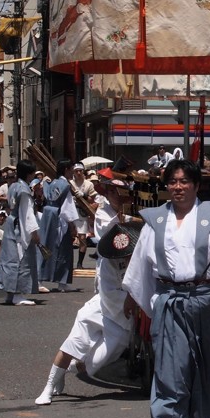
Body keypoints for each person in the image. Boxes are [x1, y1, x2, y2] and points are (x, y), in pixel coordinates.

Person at [122, 158, 210, 418]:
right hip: (169, 297)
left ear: (196, 185)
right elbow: (141, 263)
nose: (178, 187)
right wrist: (133, 296)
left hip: (203, 297)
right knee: (170, 366)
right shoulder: (156, 220)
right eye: (172, 182)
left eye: (184, 181)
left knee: (202, 366)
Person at [36, 163, 139, 405]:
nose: (118, 195)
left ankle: (69, 371)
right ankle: (49, 386)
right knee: (76, 338)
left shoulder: (124, 215)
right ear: (106, 192)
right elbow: (117, 243)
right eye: (113, 191)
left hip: (124, 299)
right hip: (108, 293)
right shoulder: (103, 215)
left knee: (96, 362)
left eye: (122, 192)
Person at [0, 160, 42, 306]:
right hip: (19, 226)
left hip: (11, 222)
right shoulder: (24, 190)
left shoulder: (13, 186)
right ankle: (18, 294)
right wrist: (34, 233)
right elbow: (28, 214)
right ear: (29, 174)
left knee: (10, 258)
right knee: (21, 259)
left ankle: (10, 293)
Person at [39, 161, 80, 292]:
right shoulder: (65, 185)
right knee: (63, 248)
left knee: (45, 245)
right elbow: (68, 209)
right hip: (59, 217)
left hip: (47, 215)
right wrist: (72, 225)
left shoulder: (51, 183)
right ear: (66, 169)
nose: (73, 172)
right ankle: (62, 282)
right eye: (72, 169)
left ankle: (39, 279)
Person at [70, 164, 97, 269]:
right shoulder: (70, 183)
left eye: (80, 171)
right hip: (71, 211)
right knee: (68, 236)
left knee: (82, 238)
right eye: (76, 171)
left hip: (82, 212)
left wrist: (84, 195)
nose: (78, 173)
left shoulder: (88, 184)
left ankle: (80, 263)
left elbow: (93, 198)